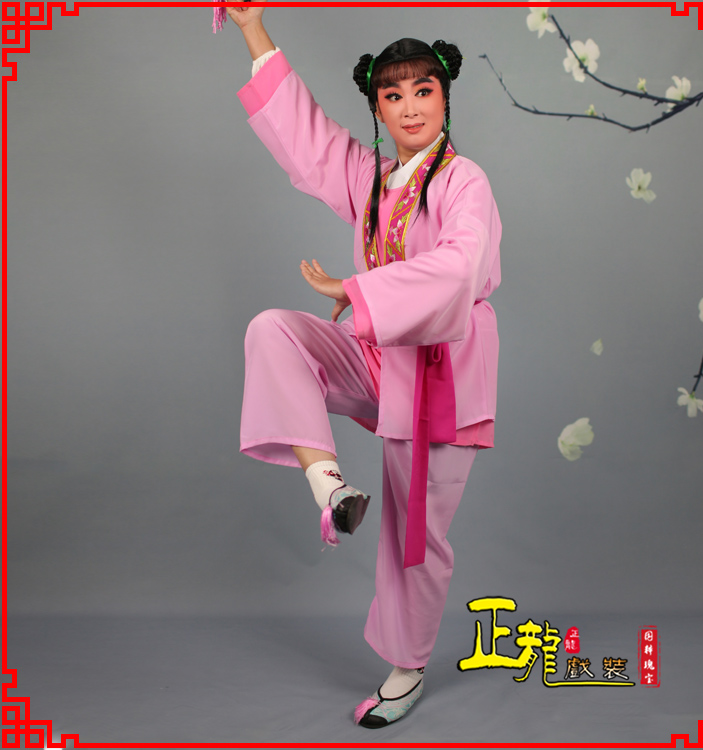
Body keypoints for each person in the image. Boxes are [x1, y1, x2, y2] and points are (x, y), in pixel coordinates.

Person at [226, 2, 501, 728]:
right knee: (274, 331)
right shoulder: (374, 179)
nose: (410, 106)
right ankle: (330, 488)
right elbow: (307, 138)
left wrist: (358, 291)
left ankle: (407, 669)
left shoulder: (464, 182)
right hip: (377, 358)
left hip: (440, 376)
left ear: (444, 97)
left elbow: (461, 268)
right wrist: (253, 29)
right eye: (393, 94)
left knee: (415, 532)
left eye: (423, 90)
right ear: (377, 108)